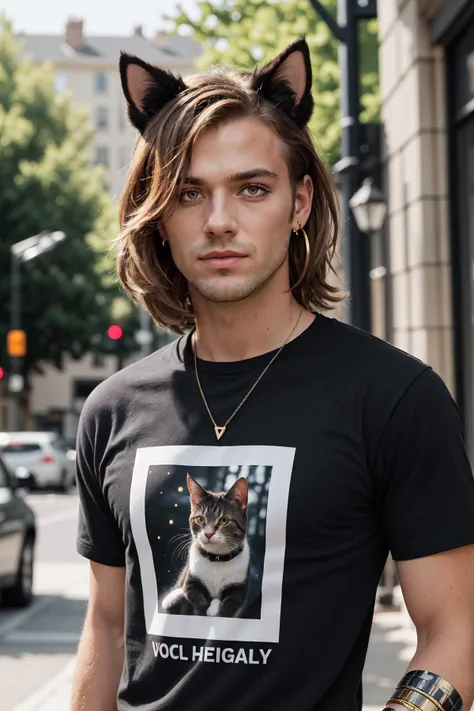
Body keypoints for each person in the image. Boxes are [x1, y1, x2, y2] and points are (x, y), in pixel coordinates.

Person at [71, 38, 474, 711]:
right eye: (189, 193)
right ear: (160, 215)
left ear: (299, 203)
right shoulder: (111, 409)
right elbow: (107, 629)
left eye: (252, 188)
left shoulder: (394, 397)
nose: (220, 221)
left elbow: (456, 628)